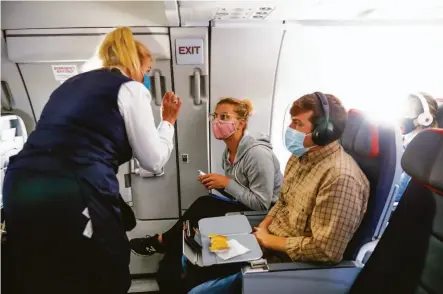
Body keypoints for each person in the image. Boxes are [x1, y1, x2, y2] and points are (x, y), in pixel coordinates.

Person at [2, 27, 181, 294]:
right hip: (72, 191)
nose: (146, 78)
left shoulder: (70, 85)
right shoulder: (129, 88)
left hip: (18, 185)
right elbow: (153, 160)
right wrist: (167, 122)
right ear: (133, 65)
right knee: (105, 273)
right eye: (146, 70)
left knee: (40, 272)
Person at [188, 92, 370, 293]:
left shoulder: (340, 178)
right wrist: (262, 230)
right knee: (199, 256)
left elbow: (325, 250)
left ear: (323, 132)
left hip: (287, 267)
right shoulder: (299, 158)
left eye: (297, 124)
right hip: (265, 244)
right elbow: (282, 202)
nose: (290, 130)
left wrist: (269, 241)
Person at [130, 97, 283, 293]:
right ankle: (171, 253)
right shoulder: (228, 153)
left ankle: (163, 242)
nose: (217, 121)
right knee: (203, 209)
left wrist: (226, 183)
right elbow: (239, 191)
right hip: (243, 207)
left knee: (204, 205)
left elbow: (261, 204)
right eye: (215, 116)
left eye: (224, 117)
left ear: (241, 123)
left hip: (265, 215)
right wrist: (218, 185)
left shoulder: (257, 155)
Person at [394, 92, 439, 203]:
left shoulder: (421, 153)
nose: (403, 116)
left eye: (408, 113)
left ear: (424, 118)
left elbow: (396, 195)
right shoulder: (403, 141)